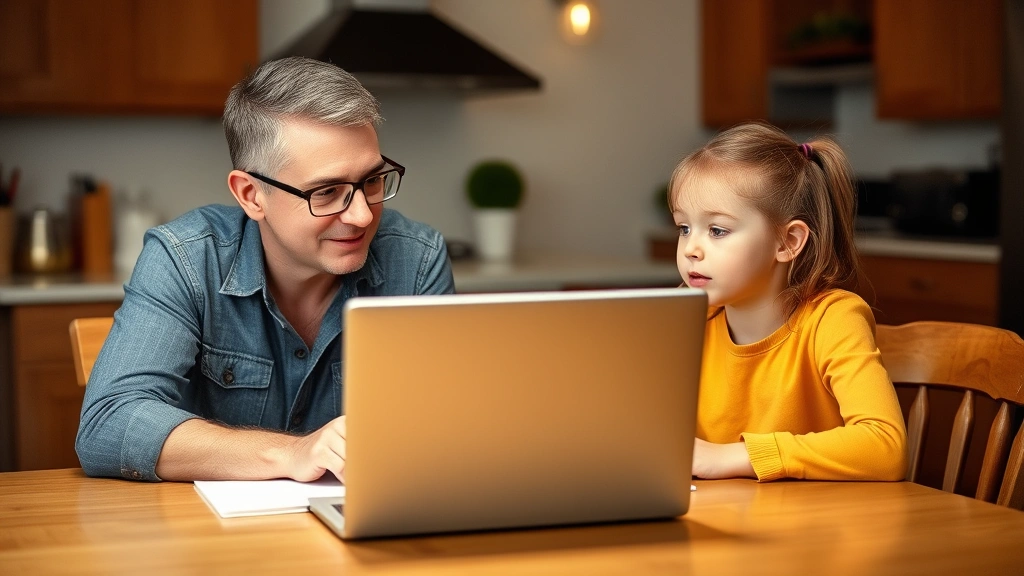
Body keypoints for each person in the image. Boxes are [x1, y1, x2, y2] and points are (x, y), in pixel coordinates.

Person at [76, 57, 455, 482]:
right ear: (252, 194)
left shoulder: (417, 261)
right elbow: (107, 426)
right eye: (327, 192)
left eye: (372, 181)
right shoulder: (185, 258)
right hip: (208, 538)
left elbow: (446, 428)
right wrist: (291, 454)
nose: (363, 216)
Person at [669, 122, 907, 482]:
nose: (691, 250)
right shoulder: (684, 317)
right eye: (684, 228)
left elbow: (886, 447)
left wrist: (737, 457)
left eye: (717, 230)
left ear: (788, 242)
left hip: (820, 525)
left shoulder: (833, 319)